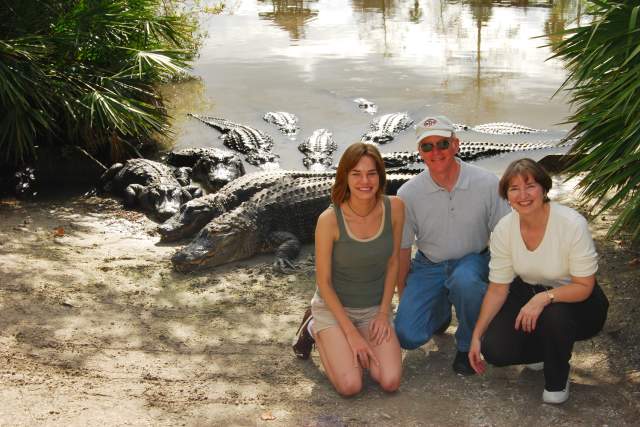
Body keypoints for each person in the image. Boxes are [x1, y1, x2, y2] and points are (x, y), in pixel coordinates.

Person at [468, 158, 609, 404]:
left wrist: (544, 298)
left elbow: (584, 286)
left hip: (578, 300)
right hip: (529, 291)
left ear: (544, 188)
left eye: (530, 185)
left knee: (555, 316)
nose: (523, 195)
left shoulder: (571, 223)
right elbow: (498, 289)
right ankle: (546, 347)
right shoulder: (504, 229)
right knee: (495, 350)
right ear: (506, 195)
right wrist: (476, 335)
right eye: (514, 188)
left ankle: (557, 377)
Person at [394, 115, 510, 376]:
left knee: (466, 280)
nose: (436, 152)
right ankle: (441, 312)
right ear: (420, 152)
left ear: (456, 145)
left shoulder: (488, 183)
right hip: (428, 265)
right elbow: (402, 251)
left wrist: (502, 286)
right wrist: (405, 300)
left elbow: (505, 238)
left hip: (474, 261)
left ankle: (467, 343)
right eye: (427, 146)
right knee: (407, 335)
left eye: (443, 144)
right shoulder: (407, 194)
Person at [292, 142, 405, 396]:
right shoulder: (329, 220)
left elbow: (393, 262)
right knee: (351, 386)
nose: (365, 181)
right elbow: (324, 282)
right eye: (356, 174)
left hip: (374, 309)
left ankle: (355, 339)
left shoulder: (396, 208)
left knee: (389, 381)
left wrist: (383, 313)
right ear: (345, 176)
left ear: (380, 176)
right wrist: (352, 334)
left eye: (371, 173)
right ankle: (313, 326)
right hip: (334, 309)